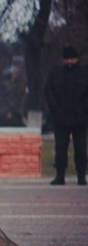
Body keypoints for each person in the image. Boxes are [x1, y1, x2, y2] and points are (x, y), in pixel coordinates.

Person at [44, 46, 88, 186]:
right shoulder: (56, 73)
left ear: (76, 58)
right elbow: (48, 90)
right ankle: (60, 175)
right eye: (67, 59)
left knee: (81, 148)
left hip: (80, 118)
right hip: (61, 117)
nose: (69, 61)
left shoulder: (84, 73)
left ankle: (81, 175)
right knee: (60, 148)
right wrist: (55, 109)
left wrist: (84, 109)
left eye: (72, 59)